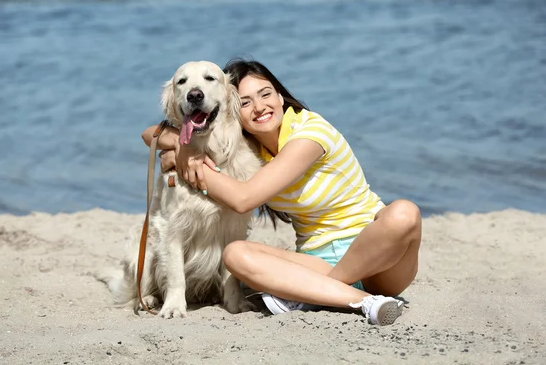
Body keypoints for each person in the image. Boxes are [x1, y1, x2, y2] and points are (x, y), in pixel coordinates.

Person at [141, 59, 422, 326]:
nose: (259, 107)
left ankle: (318, 294)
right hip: (316, 261)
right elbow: (150, 132)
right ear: (233, 106)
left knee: (403, 213)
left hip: (378, 257)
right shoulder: (250, 147)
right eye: (247, 102)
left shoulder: (311, 132)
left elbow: (242, 199)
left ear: (280, 95)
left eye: (266, 94)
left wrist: (185, 159)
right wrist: (182, 146)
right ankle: (363, 302)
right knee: (236, 254)